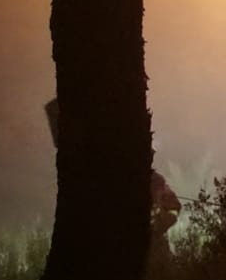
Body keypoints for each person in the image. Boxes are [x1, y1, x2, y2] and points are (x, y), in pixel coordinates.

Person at [43, 97, 181, 251]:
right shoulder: (103, 180)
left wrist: (159, 224)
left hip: (150, 251)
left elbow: (175, 207)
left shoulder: (155, 181)